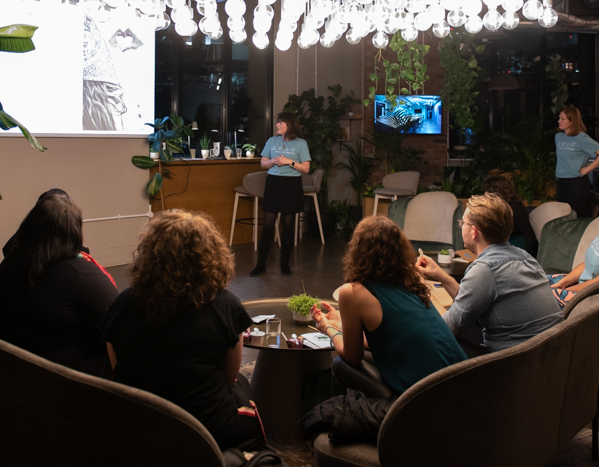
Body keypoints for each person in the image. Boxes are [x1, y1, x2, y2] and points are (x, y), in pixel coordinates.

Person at [100, 210, 263, 450]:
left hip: (135, 425)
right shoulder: (226, 306)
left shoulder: (124, 303)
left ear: (149, 255)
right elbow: (229, 377)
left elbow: (118, 368)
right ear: (210, 256)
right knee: (243, 388)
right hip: (205, 432)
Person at [313, 215, 467, 395]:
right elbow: (393, 337)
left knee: (340, 364)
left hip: (427, 398)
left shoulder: (353, 292)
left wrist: (328, 329)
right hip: (463, 381)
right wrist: (341, 324)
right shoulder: (412, 280)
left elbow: (353, 356)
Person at [0, 191, 118, 378]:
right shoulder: (82, 275)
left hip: (10, 374)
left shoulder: (8, 266)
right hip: (67, 384)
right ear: (75, 231)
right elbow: (120, 330)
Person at [417, 193, 562, 355]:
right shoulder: (524, 256)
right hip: (548, 356)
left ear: (473, 232)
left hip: (515, 364)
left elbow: (448, 328)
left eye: (462, 223)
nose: (461, 226)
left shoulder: (485, 269)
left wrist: (423, 294)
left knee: (430, 338)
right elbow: (471, 301)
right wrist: (439, 275)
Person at [250, 112, 311, 276]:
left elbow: (306, 168)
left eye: (280, 123)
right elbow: (263, 163)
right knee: (268, 225)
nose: (277, 125)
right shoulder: (272, 141)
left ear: (289, 125)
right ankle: (260, 264)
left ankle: (285, 264)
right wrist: (271, 161)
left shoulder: (301, 143)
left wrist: (289, 162)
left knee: (288, 226)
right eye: (278, 123)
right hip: (274, 184)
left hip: (291, 185)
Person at [555, 106, 599, 218]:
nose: (559, 121)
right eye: (559, 118)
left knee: (580, 216)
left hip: (577, 183)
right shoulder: (558, 137)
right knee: (563, 216)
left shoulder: (581, 138)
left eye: (562, 119)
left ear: (572, 121)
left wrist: (588, 168)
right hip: (561, 182)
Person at [483, 175, 538, 257]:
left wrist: (526, 257)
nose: (485, 193)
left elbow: (529, 236)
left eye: (488, 191)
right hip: (505, 242)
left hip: (519, 243)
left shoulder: (515, 208)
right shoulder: (496, 207)